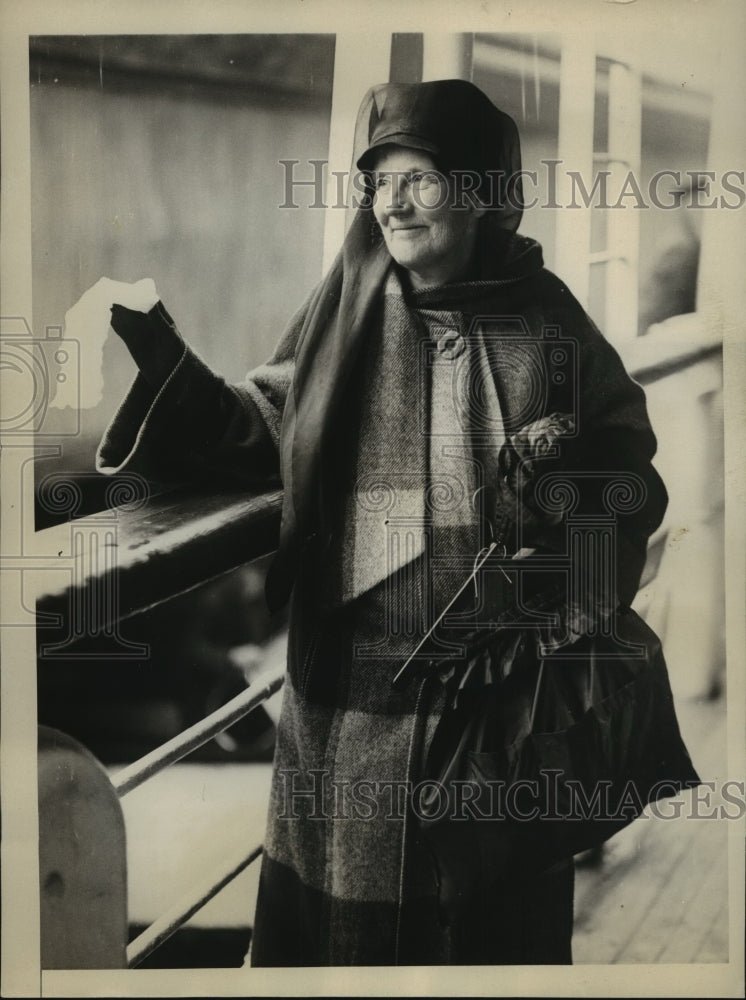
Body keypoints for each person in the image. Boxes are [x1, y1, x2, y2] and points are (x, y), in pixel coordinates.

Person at [91, 80, 673, 966]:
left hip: (497, 708)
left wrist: (558, 544)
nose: (393, 203)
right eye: (380, 181)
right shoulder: (349, 311)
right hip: (354, 702)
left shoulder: (550, 323)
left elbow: (629, 474)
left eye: (421, 180)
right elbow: (267, 425)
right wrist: (173, 373)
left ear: (480, 193)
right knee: (353, 945)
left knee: (489, 936)